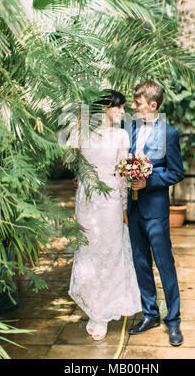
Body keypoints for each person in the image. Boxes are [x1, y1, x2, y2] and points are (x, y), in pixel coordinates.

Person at [67, 90, 142, 341]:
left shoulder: (121, 136)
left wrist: (123, 207)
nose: (122, 112)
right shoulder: (82, 132)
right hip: (86, 199)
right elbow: (71, 157)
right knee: (89, 252)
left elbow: (121, 175)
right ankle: (93, 308)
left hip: (109, 199)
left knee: (109, 253)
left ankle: (102, 313)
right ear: (104, 108)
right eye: (118, 107)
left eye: (123, 108)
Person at [124, 80, 184, 346]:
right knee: (140, 262)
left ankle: (174, 320)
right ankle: (150, 314)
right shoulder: (131, 128)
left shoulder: (169, 134)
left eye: (137, 103)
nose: (133, 107)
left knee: (164, 264)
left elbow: (176, 172)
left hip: (155, 211)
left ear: (152, 105)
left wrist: (150, 180)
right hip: (134, 208)